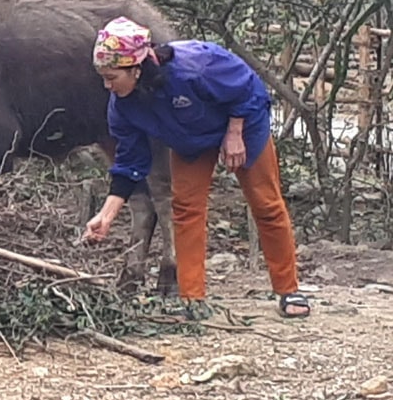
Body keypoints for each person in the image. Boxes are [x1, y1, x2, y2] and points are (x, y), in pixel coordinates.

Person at [82, 16, 311, 319]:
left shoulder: (194, 66)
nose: (107, 85)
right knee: (186, 208)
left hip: (242, 125)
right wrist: (106, 216)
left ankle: (288, 288)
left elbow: (248, 87)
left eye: (112, 77)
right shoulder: (122, 106)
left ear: (135, 68)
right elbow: (130, 163)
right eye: (103, 77)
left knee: (266, 204)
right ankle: (192, 298)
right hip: (190, 140)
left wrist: (235, 132)